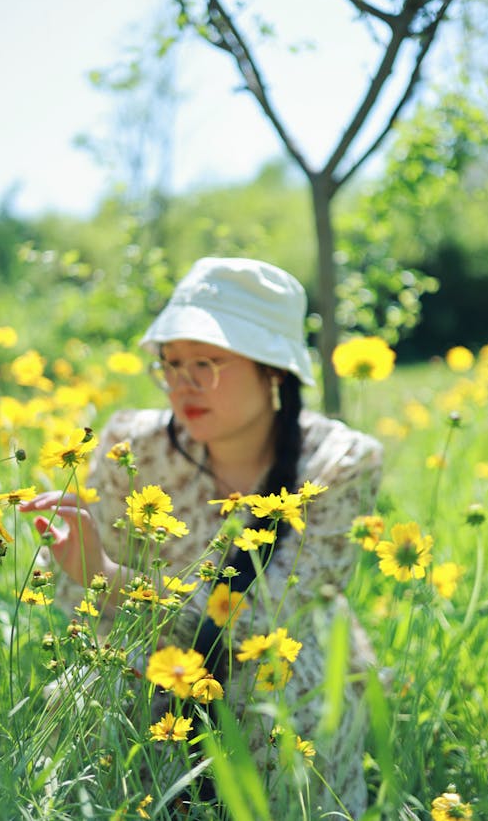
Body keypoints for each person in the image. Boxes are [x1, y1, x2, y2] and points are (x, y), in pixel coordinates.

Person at [21, 256, 383, 816]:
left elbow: (269, 619)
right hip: (149, 651)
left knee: (280, 700)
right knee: (84, 697)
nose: (182, 384)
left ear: (274, 371)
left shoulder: (338, 462)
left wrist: (113, 579)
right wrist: (83, 575)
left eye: (207, 364)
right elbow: (81, 610)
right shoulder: (132, 449)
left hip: (286, 654)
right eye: (170, 364)